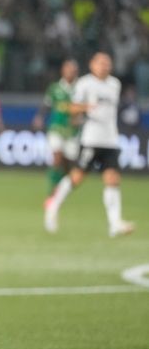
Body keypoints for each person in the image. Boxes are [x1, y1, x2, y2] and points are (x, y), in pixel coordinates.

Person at [44, 52, 135, 237]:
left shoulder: (114, 84)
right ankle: (53, 205)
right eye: (101, 63)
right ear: (92, 65)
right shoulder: (84, 83)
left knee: (112, 180)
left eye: (108, 63)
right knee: (77, 177)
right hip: (91, 139)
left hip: (110, 139)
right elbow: (71, 107)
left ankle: (114, 223)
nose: (105, 66)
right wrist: (86, 107)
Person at [33, 59, 80, 195]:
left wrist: (80, 118)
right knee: (57, 156)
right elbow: (46, 104)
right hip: (56, 127)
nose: (70, 72)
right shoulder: (55, 88)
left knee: (69, 164)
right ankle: (52, 190)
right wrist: (39, 117)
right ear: (63, 71)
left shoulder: (80, 88)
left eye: (72, 70)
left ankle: (62, 186)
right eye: (67, 69)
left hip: (72, 131)